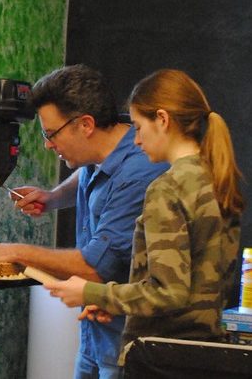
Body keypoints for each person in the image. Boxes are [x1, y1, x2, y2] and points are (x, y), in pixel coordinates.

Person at [0, 64, 168, 379]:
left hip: (124, 347)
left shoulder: (139, 172)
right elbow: (89, 173)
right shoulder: (106, 145)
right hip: (92, 339)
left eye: (51, 134)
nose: (47, 144)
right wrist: (53, 197)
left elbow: (95, 268)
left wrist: (13, 251)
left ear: (85, 124)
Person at [45, 69, 244, 369]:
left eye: (138, 127)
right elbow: (191, 292)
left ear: (162, 120)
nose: (135, 141)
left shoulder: (168, 188)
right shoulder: (215, 178)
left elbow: (168, 293)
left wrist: (90, 291)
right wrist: (113, 302)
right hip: (202, 355)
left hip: (163, 359)